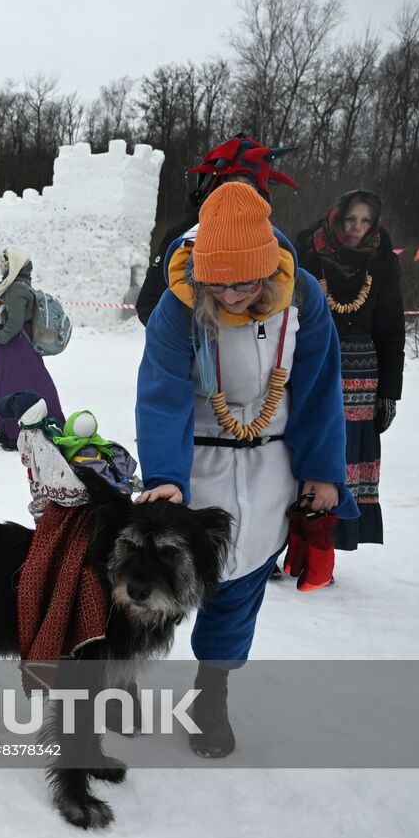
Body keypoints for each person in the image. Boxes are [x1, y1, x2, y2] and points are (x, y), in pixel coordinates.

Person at [136, 182, 357, 758]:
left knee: (241, 587)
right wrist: (165, 476)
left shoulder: (303, 297)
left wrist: (322, 471)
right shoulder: (177, 305)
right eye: (220, 284)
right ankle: (121, 679)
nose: (232, 295)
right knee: (152, 583)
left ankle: (212, 692)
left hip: (270, 466)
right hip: (196, 461)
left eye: (246, 282)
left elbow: (317, 390)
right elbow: (161, 395)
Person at [295, 190, 404, 553]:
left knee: (346, 458)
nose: (357, 228)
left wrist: (389, 391)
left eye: (365, 221)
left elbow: (391, 328)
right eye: (350, 219)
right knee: (302, 449)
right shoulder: (309, 252)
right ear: (336, 217)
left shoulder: (382, 260)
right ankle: (285, 542)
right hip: (312, 361)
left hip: (362, 377)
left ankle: (325, 548)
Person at [136, 134, 297, 326]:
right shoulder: (180, 237)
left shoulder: (274, 243)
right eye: (230, 184)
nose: (238, 194)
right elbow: (149, 305)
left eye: (249, 186)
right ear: (214, 188)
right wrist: (197, 340)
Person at [0, 247, 64, 447]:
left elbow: (16, 321)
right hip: (13, 345)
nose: (1, 266)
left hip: (17, 346)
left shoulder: (17, 289)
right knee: (1, 383)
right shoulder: (14, 285)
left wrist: (2, 337)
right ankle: (5, 427)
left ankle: (18, 432)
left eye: (4, 263)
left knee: (14, 385)